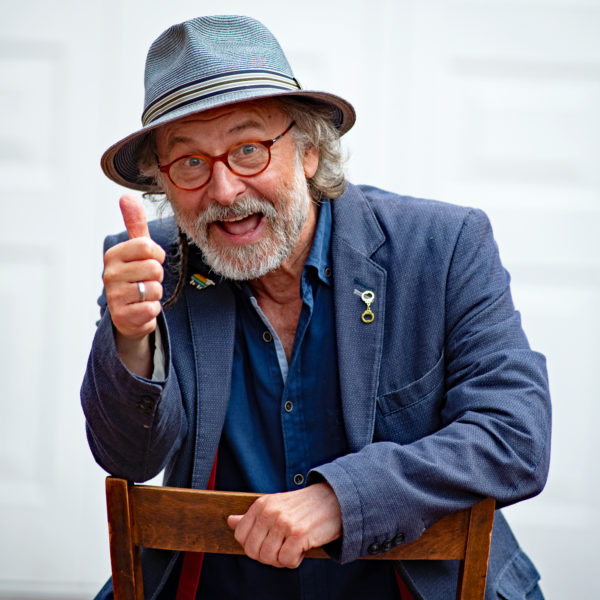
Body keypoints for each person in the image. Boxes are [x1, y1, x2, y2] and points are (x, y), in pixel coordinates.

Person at [81, 15, 551, 600]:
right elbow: (128, 458)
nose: (224, 191)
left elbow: (514, 436)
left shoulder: (443, 246)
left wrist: (341, 499)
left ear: (307, 151)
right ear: (165, 183)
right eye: (191, 163)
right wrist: (131, 339)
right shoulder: (153, 267)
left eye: (248, 150)